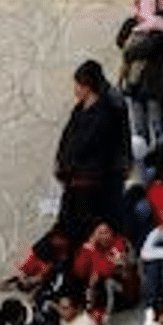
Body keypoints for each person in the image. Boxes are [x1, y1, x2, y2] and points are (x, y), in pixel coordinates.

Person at [54, 60, 130, 241]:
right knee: (65, 225)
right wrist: (60, 161)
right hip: (73, 179)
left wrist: (67, 166)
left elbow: (84, 146)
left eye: (78, 86)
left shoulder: (104, 114)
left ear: (88, 87)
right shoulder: (79, 109)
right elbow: (67, 138)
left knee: (82, 229)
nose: (75, 90)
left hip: (89, 182)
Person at [117, 0, 163, 148]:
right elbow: (120, 41)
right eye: (136, 0)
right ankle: (144, 166)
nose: (137, 3)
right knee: (139, 131)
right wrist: (137, 24)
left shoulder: (162, 23)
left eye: (140, 0)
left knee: (158, 128)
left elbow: (148, 47)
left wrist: (132, 48)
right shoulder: (133, 22)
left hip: (153, 84)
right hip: (134, 84)